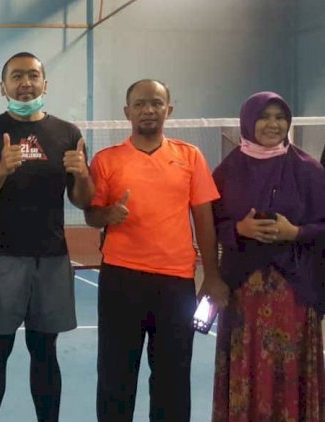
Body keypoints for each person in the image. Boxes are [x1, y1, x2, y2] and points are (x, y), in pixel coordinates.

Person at [85, 79, 228, 422]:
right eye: (140, 104)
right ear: (127, 112)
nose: (148, 110)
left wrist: (211, 276)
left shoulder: (190, 157)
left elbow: (204, 219)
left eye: (156, 103)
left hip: (175, 284)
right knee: (115, 377)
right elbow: (91, 215)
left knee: (172, 380)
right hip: (121, 281)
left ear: (169, 109)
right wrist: (108, 215)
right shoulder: (106, 160)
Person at [0, 51, 93, 422]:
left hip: (51, 258)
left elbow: (83, 201)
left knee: (45, 350)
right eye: (17, 76)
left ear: (44, 84)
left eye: (33, 75)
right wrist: (2, 170)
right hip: (1, 257)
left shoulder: (68, 134)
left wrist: (83, 174)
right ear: (2, 86)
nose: (25, 83)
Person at [211, 91, 325, 421]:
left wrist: (296, 232)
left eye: (280, 117)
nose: (273, 124)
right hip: (242, 294)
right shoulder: (227, 171)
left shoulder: (309, 170)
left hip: (295, 294)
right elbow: (210, 223)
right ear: (248, 121)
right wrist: (239, 228)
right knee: (247, 368)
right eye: (264, 117)